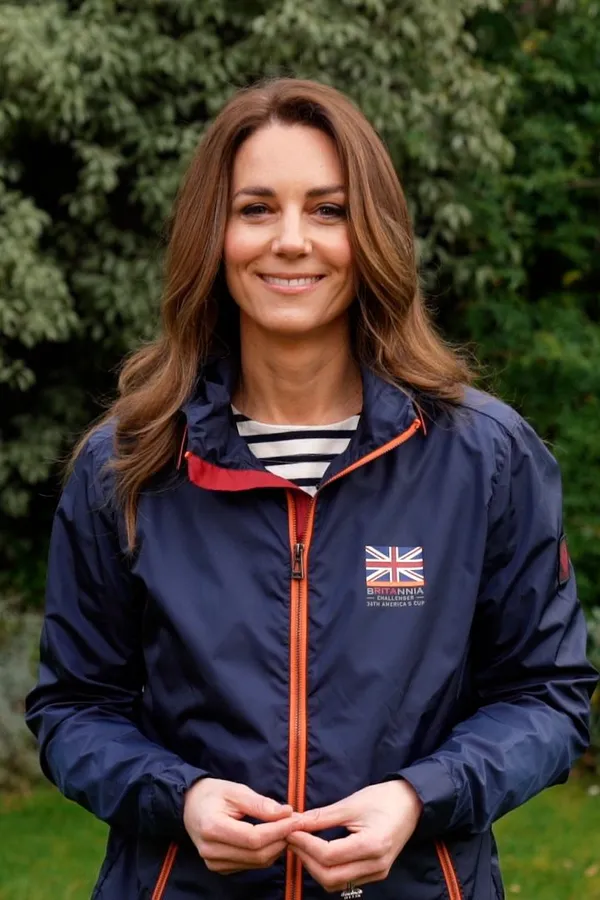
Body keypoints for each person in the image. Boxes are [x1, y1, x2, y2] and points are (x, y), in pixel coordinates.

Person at [26, 77, 597, 900]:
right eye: (256, 209)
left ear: (373, 234)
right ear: (213, 233)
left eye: (328, 210)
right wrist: (180, 798)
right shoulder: (129, 463)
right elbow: (74, 706)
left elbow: (547, 695)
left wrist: (419, 798)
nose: (291, 241)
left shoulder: (486, 458)